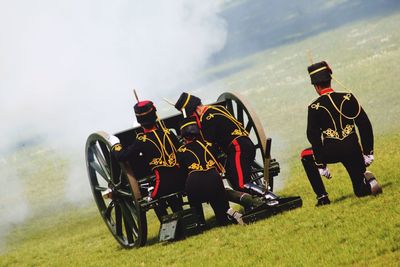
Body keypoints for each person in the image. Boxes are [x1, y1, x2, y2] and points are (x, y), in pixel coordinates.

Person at [300, 61, 382, 206]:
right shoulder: (348, 97)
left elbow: (313, 137)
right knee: (359, 190)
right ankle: (368, 183)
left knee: (305, 155)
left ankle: (322, 197)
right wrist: (368, 152)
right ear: (330, 80)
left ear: (316, 86)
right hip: (353, 150)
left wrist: (320, 164)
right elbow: (364, 125)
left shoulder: (314, 107)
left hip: (331, 152)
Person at [108, 100, 187, 220]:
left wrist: (115, 145)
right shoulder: (168, 133)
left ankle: (165, 221)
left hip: (162, 185)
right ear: (155, 116)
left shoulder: (141, 140)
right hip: (183, 180)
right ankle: (182, 217)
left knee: (153, 195)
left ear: (140, 122)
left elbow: (121, 156)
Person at [174, 93, 256, 193]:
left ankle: (271, 199)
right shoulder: (219, 108)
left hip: (237, 148)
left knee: (242, 184)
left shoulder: (207, 118)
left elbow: (209, 144)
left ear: (195, 109)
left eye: (191, 115)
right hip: (245, 144)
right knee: (238, 180)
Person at [176, 117, 244, 225]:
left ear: (183, 135)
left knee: (195, 203)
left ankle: (200, 222)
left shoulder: (180, 151)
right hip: (214, 181)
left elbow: (182, 173)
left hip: (194, 184)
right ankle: (224, 217)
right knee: (222, 215)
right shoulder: (210, 145)